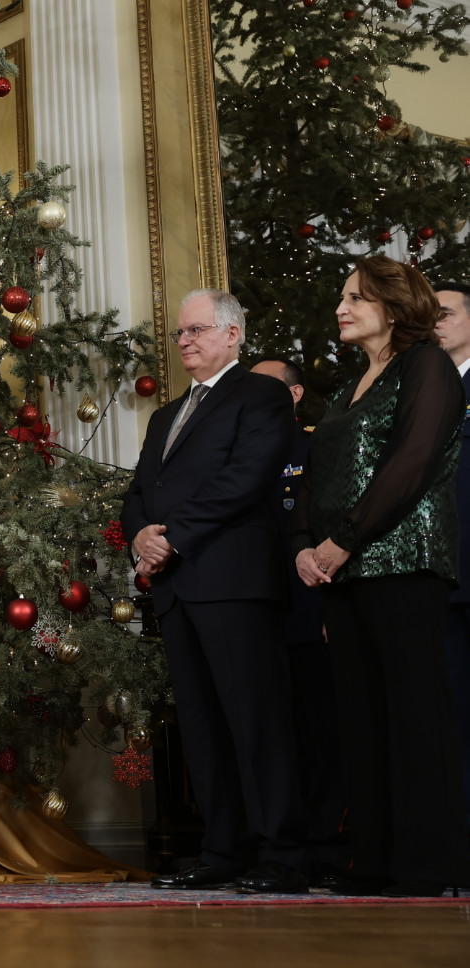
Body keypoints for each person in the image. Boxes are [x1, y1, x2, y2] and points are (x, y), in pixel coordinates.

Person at [292, 257, 470, 897]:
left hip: (404, 562)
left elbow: (413, 461)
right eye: (342, 297)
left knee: (413, 713)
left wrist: (343, 541)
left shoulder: (428, 366)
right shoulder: (350, 385)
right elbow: (317, 474)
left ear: (394, 308)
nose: (341, 308)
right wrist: (304, 546)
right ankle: (372, 861)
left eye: (356, 298)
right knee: (361, 717)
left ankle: (426, 864)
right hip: (342, 571)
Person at [122, 289, 306, 894]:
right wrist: (140, 536)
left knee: (256, 721)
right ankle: (223, 850)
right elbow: (139, 493)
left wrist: (170, 538)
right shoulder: (166, 415)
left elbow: (244, 479)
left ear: (232, 334)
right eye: (181, 333)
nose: (185, 341)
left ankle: (282, 856)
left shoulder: (261, 394)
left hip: (234, 582)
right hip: (177, 588)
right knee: (202, 726)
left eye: (197, 330)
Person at [249, 356, 346, 885]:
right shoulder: (239, 451)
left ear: (295, 394)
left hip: (309, 610)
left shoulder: (315, 446)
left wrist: (334, 608)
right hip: (254, 614)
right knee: (270, 737)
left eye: (267, 388)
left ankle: (327, 849)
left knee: (321, 736)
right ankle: (274, 850)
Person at [435, 280, 470, 830]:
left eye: (443, 313)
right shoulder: (425, 389)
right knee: (450, 711)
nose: (433, 322)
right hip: (438, 577)